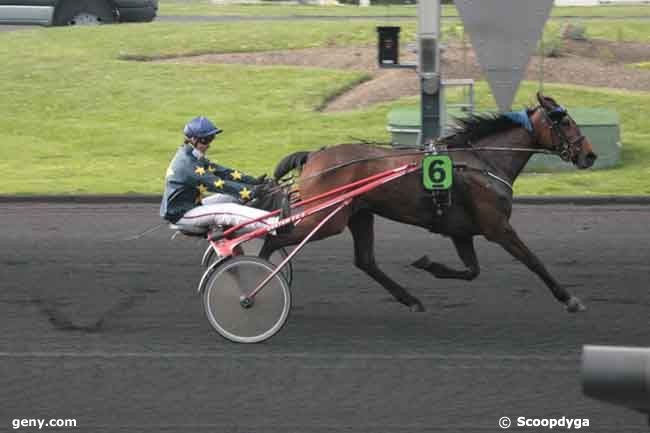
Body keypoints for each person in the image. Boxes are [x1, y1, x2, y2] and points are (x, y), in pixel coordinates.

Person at [160, 116, 277, 236]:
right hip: (182, 214)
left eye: (211, 138)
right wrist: (251, 191)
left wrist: (253, 181)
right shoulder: (187, 164)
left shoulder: (192, 155)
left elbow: (223, 172)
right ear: (193, 139)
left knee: (235, 197)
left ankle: (270, 214)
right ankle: (274, 223)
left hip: (192, 204)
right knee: (228, 209)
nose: (209, 144)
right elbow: (216, 183)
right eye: (206, 140)